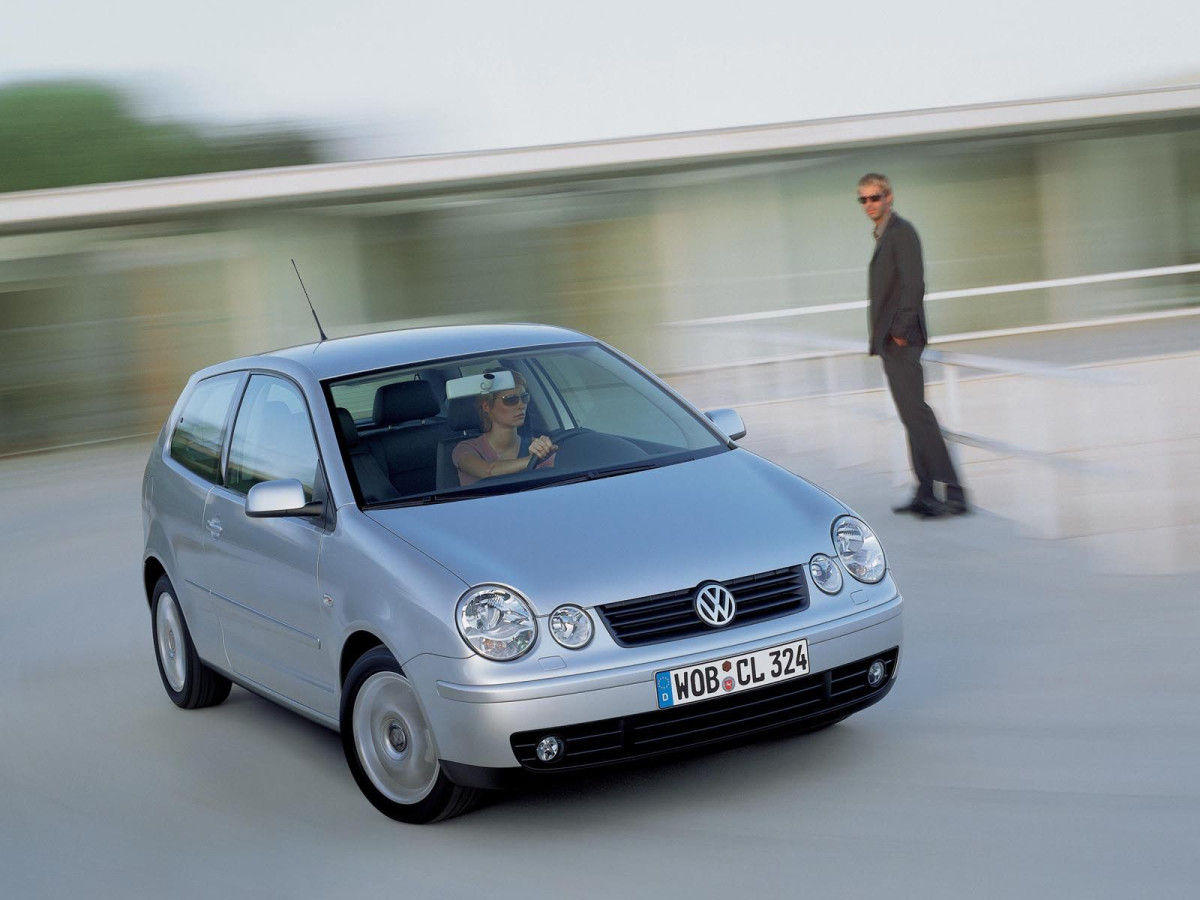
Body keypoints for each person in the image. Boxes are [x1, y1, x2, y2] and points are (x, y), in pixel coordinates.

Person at [858, 173, 968, 518]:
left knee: (918, 416)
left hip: (902, 341)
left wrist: (901, 331)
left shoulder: (902, 232)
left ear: (889, 197)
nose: (869, 205)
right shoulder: (884, 233)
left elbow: (913, 282)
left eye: (874, 197)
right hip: (891, 342)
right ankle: (924, 490)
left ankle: (954, 493)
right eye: (863, 200)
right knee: (910, 417)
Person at [452, 372, 557, 486]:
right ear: (487, 406)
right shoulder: (465, 448)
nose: (521, 405)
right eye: (510, 399)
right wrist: (533, 460)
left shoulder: (536, 447)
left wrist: (545, 453)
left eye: (524, 397)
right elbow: (488, 471)